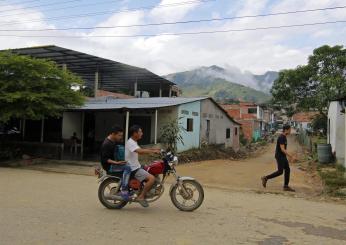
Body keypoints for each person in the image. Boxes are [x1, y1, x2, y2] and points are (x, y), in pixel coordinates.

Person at [125, 125, 161, 208]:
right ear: (135, 133)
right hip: (133, 168)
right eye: (140, 132)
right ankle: (141, 196)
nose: (142, 133)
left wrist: (155, 150)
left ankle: (144, 190)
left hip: (136, 166)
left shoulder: (133, 142)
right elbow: (140, 151)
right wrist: (153, 151)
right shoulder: (130, 142)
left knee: (152, 170)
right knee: (152, 178)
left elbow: (141, 150)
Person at [100, 125, 132, 200]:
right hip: (110, 166)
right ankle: (124, 191)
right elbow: (105, 159)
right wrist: (116, 163)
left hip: (114, 163)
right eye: (119, 135)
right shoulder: (106, 144)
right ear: (113, 134)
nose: (121, 137)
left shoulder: (113, 141)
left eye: (121, 135)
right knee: (128, 168)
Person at [261, 125, 296, 192]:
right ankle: (265, 178)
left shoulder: (284, 137)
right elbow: (282, 149)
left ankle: (286, 186)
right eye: (289, 130)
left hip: (282, 156)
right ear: (286, 130)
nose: (290, 131)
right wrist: (291, 156)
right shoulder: (281, 137)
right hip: (280, 156)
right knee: (280, 172)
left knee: (287, 169)